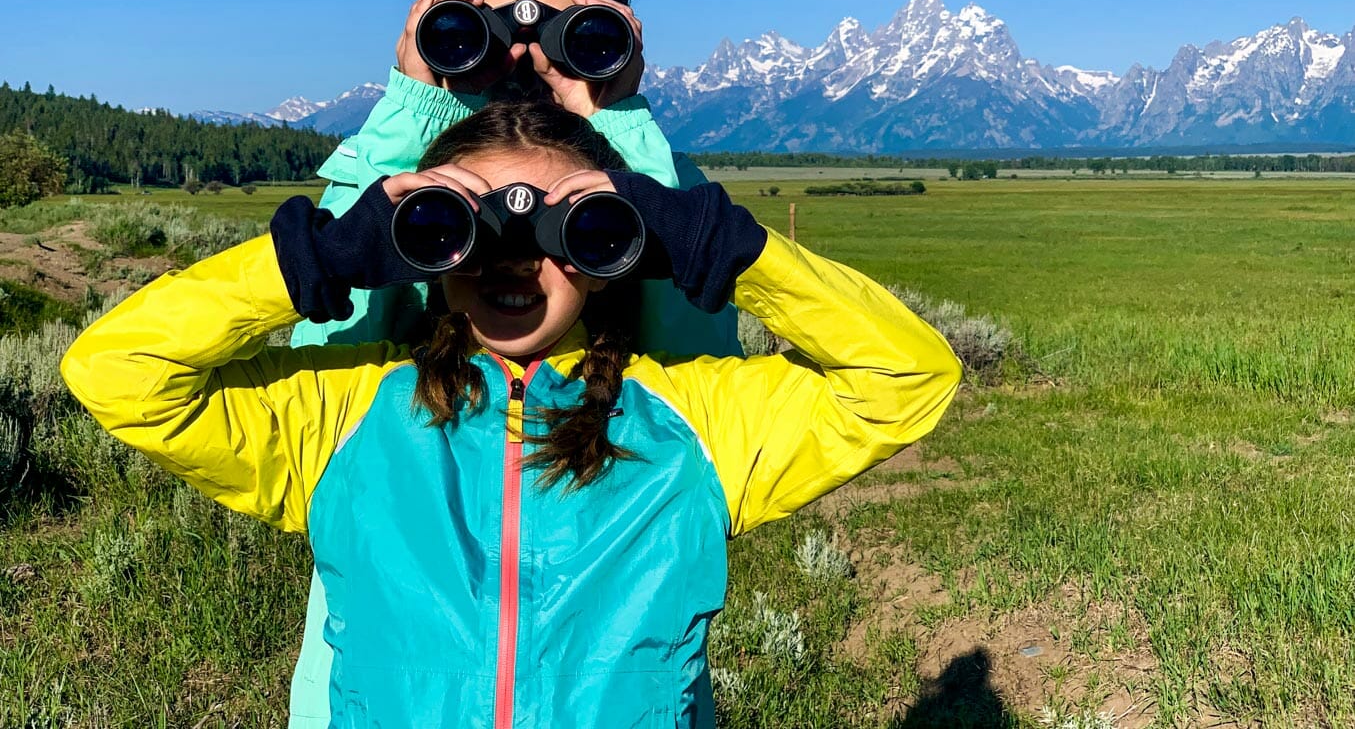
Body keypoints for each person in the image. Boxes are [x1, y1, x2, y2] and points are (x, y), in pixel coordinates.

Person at [62, 99, 962, 728]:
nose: (513, 261)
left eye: (568, 236)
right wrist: (322, 259)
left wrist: (718, 246)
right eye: (468, 228)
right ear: (420, 241)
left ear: (615, 246)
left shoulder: (690, 422)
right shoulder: (343, 416)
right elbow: (116, 371)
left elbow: (908, 376)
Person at [288, 0, 741, 724]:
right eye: (482, 34)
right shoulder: (403, 191)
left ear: (616, 36)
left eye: (571, 36)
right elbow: (325, 341)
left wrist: (619, 137)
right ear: (436, 31)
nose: (525, 65)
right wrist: (410, 122)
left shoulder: (664, 196)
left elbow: (699, 373)